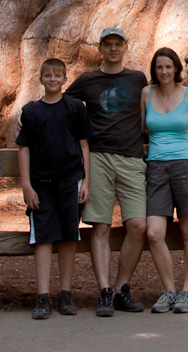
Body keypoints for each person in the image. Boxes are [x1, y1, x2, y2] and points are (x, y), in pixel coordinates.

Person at [64, 27, 149, 317]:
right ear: (100, 49)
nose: (113, 49)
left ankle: (121, 288)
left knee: (138, 225)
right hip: (98, 158)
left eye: (118, 44)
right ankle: (104, 291)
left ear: (126, 47)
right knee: (100, 226)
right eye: (107, 45)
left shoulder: (138, 79)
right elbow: (63, 106)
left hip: (132, 157)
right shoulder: (88, 81)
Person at [16, 58, 93, 319]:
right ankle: (42, 296)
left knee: (69, 236)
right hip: (42, 183)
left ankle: (66, 293)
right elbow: (24, 149)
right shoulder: (31, 111)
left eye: (57, 75)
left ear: (64, 79)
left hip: (70, 181)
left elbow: (84, 146)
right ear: (40, 79)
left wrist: (87, 181)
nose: (52, 79)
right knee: (44, 237)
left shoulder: (75, 108)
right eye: (47, 75)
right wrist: (26, 185)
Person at [140, 47, 188, 314]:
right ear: (154, 70)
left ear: (176, 68)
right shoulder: (146, 93)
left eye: (168, 67)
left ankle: (187, 292)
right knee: (154, 232)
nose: (164, 71)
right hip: (156, 166)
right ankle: (169, 290)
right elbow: (140, 129)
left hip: (186, 164)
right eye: (159, 67)